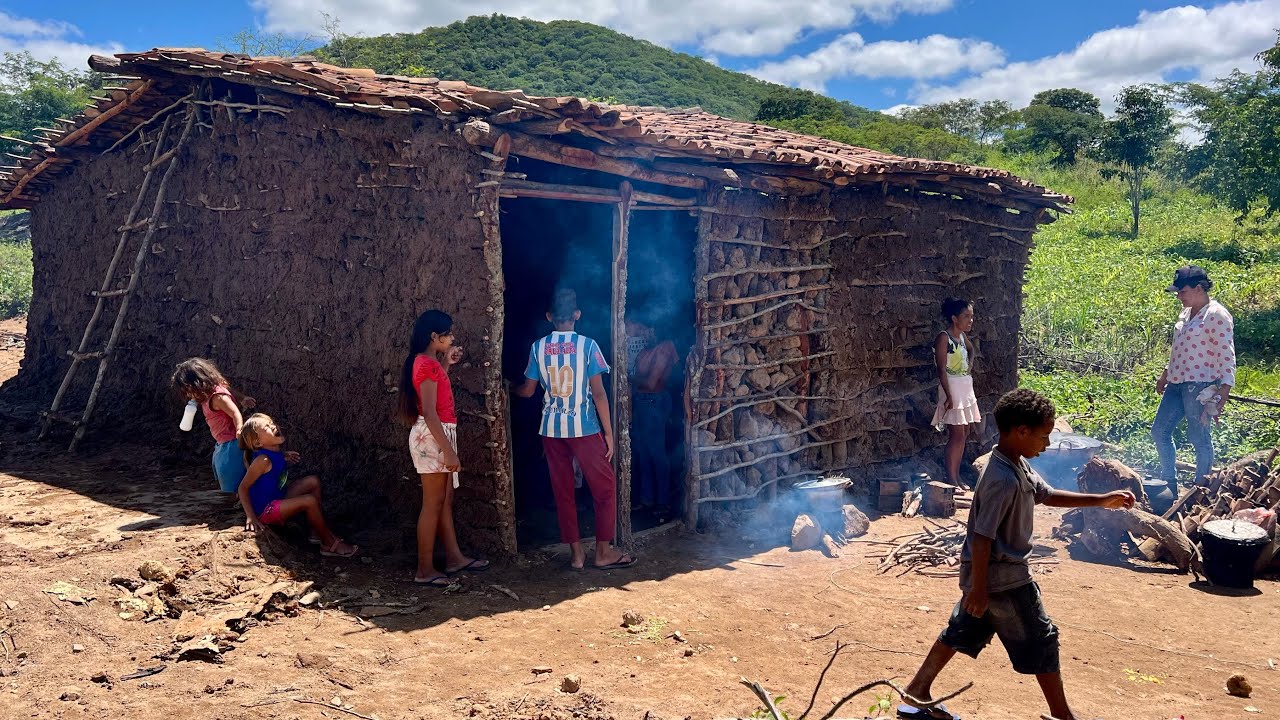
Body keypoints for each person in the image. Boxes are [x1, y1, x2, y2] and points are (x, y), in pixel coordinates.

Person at [898, 389, 1135, 720]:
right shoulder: (1001, 479)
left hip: (989, 578)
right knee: (1042, 639)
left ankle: (915, 694)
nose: (1047, 445)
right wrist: (980, 589)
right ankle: (1062, 716)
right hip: (1003, 579)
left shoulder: (1015, 464)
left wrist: (1099, 499)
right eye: (1044, 437)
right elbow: (982, 537)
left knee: (961, 631)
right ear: (1021, 431)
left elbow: (1047, 495)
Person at [514, 289, 637, 571]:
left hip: (551, 430)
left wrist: (510, 387)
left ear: (549, 317)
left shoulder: (538, 347)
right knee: (604, 489)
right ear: (577, 315)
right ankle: (603, 553)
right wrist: (609, 434)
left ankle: (577, 556)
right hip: (584, 428)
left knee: (563, 492)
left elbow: (528, 391)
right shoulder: (588, 346)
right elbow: (599, 394)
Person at [396, 309, 489, 586]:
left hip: (438, 433)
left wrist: (446, 364)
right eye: (448, 334)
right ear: (434, 336)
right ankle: (424, 570)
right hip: (433, 435)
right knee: (432, 504)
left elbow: (435, 395)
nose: (452, 338)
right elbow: (430, 412)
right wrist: (448, 451)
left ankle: (453, 558)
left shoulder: (429, 363)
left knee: (444, 501)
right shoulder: (424, 364)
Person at [1152, 265, 1235, 492]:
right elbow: (1178, 348)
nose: (1179, 296)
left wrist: (1224, 390)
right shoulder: (1186, 313)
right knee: (1159, 431)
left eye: (1183, 291)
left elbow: (1226, 354)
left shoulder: (1216, 315)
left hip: (1200, 385)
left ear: (1199, 288)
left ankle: (1201, 489)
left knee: (1198, 437)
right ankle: (1168, 484)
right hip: (1177, 383)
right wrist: (1165, 374)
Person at [237, 413, 357, 557]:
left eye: (271, 422)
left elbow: (274, 461)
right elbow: (243, 488)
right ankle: (328, 543)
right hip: (266, 510)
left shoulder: (273, 453)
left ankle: (315, 531)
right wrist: (251, 517)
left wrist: (284, 456)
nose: (273, 426)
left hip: (277, 498)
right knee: (309, 501)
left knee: (313, 481)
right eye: (267, 427)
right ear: (257, 443)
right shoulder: (262, 460)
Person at [171, 357, 256, 493]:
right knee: (225, 475)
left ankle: (237, 506)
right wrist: (242, 398)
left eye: (188, 389)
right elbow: (230, 390)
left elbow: (235, 413)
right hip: (222, 443)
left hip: (232, 444)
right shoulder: (211, 392)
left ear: (198, 383)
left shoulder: (217, 397)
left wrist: (239, 430)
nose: (188, 394)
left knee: (232, 482)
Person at [626, 319, 680, 517]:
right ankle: (647, 499)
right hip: (644, 403)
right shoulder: (647, 351)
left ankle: (663, 502)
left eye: (648, 330)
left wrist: (629, 378)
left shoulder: (665, 348)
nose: (645, 334)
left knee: (656, 453)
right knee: (643, 452)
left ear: (656, 329)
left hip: (654, 403)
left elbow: (650, 383)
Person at [931, 298, 980, 488]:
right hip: (951, 388)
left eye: (971, 316)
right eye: (966, 316)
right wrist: (949, 396)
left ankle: (957, 476)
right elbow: (941, 369)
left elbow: (971, 350)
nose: (970, 320)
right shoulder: (944, 338)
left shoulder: (961, 337)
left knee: (964, 432)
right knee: (957, 434)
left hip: (964, 387)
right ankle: (951, 479)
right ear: (954, 318)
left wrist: (969, 368)